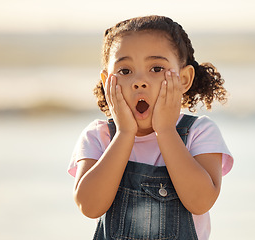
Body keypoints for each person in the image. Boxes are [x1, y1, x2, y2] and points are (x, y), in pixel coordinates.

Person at [68, 15, 233, 240]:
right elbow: (89, 206)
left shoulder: (199, 132)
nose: (139, 81)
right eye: (125, 71)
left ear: (184, 79)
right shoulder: (100, 136)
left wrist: (165, 131)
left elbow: (201, 201)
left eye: (156, 68)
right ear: (108, 82)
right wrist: (125, 134)